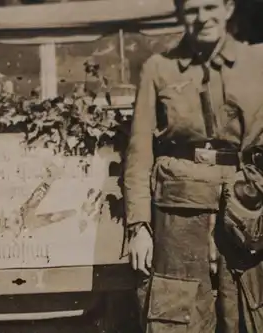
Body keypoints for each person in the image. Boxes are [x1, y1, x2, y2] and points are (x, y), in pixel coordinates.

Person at [124, 0, 263, 332]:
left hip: (245, 210)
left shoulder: (257, 61)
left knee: (246, 311)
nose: (203, 18)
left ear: (229, 8)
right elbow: (140, 149)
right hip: (178, 215)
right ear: (181, 15)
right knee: (177, 315)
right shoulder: (159, 68)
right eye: (192, 9)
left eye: (211, 6)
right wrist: (139, 225)